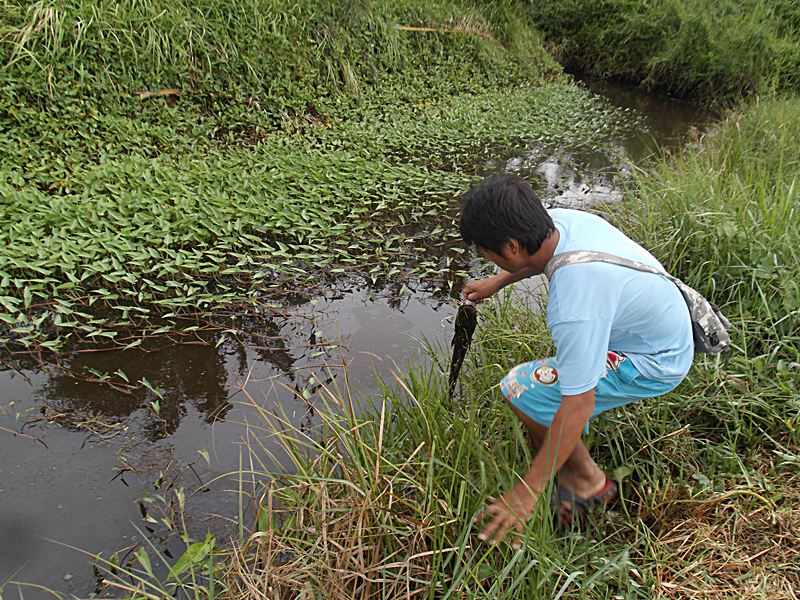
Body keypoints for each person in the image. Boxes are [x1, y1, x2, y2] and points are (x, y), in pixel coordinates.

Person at [459, 175, 693, 546]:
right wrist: (497, 282)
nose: (485, 258)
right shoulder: (561, 222)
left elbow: (578, 403)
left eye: (487, 252)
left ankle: (589, 483)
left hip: (655, 360)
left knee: (523, 388)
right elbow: (533, 258)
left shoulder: (575, 303)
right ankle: (562, 448)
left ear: (511, 245)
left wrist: (528, 491)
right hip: (661, 326)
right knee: (553, 388)